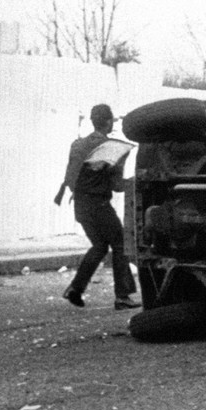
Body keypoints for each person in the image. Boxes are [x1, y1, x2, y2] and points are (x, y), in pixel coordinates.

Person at [58, 103, 140, 309]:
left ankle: (75, 288)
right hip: (99, 205)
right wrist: (135, 181)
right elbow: (117, 186)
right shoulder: (113, 148)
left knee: (100, 246)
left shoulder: (77, 145)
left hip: (80, 205)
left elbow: (70, 177)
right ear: (107, 122)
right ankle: (122, 296)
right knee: (120, 244)